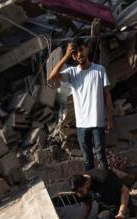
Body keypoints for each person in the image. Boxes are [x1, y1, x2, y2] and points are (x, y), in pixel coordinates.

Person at [48, 38, 113, 171]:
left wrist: (110, 118)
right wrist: (66, 55)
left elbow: (107, 94)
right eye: (75, 53)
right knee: (88, 161)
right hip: (82, 125)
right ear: (73, 56)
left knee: (101, 158)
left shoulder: (99, 70)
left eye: (81, 50)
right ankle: (93, 189)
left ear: (87, 49)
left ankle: (107, 187)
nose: (79, 54)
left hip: (98, 123)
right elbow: (52, 76)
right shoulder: (72, 72)